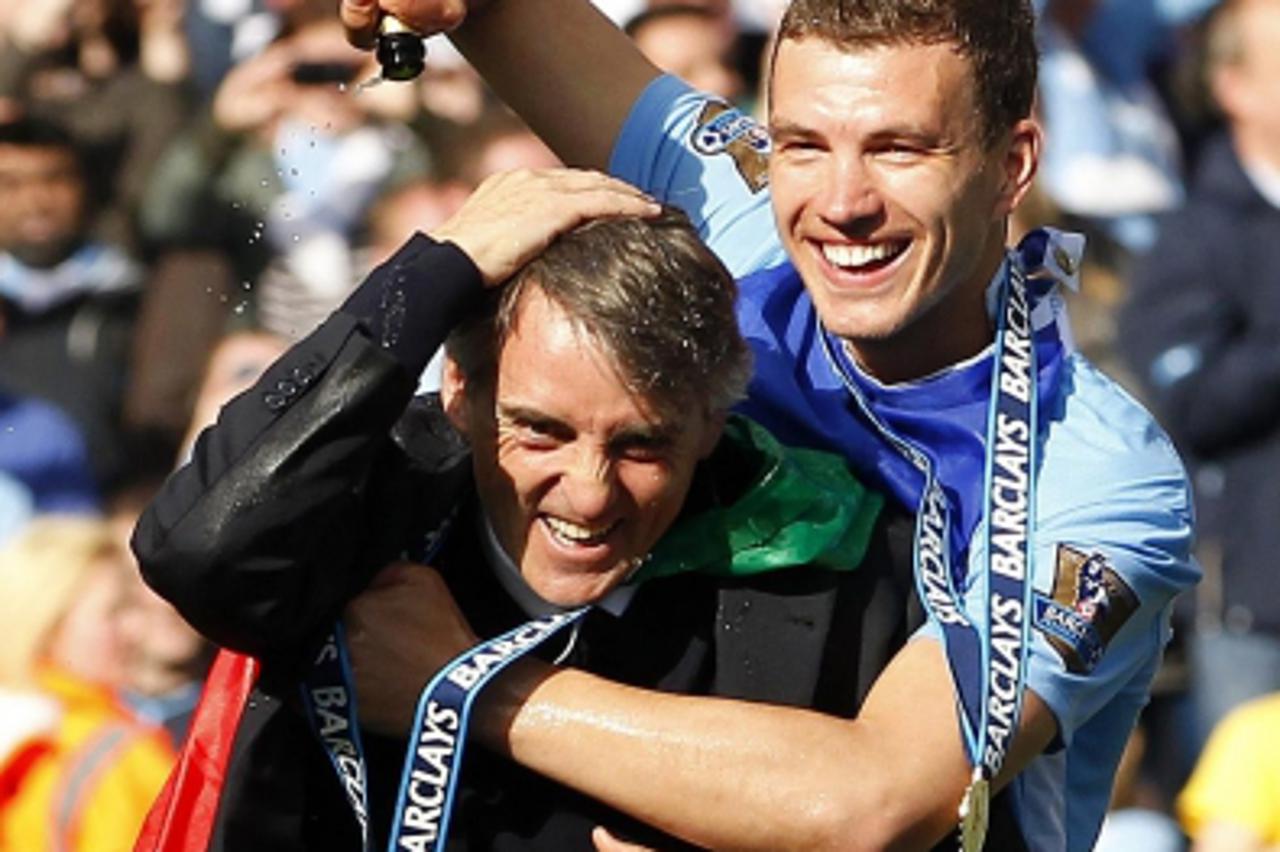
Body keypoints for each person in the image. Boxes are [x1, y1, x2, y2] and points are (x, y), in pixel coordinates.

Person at [327, 0, 1200, 849]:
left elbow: (878, 804)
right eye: (803, 146)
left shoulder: (1095, 476)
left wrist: (469, 687)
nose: (842, 202)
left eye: (900, 150)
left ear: (1013, 164)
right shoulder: (743, 214)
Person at [133, 170, 899, 850]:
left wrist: (461, 685)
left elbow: (890, 808)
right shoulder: (369, 503)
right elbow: (194, 550)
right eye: (542, 431)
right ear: (461, 392)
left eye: (642, 445)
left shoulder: (817, 555)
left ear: (710, 423)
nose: (590, 490)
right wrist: (438, 271)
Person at [0, 516, 175, 851]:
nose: (136, 629)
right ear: (47, 625)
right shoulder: (112, 756)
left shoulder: (18, 735)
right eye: (115, 611)